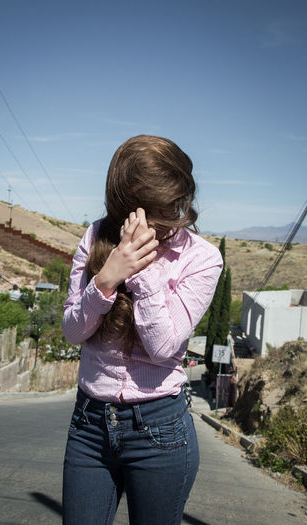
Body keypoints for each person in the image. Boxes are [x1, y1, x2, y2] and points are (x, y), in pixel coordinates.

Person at [62, 135, 223, 525]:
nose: (167, 216)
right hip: (89, 426)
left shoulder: (202, 259)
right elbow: (72, 330)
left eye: (172, 204)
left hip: (160, 432)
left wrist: (140, 271)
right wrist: (105, 280)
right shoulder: (95, 236)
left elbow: (163, 346)